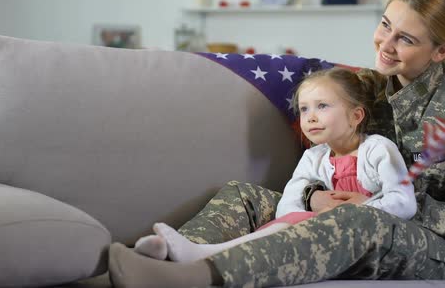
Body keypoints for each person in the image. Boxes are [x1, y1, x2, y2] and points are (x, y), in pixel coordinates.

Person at [108, 0, 445, 287]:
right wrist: (311, 196)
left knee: (360, 221)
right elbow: (320, 121)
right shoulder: (368, 88)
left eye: (405, 39)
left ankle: (201, 277)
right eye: (385, 25)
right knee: (242, 195)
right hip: (357, 212)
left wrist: (381, 204)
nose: (385, 44)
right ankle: (165, 258)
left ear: (441, 50)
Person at [131, 67, 417, 263]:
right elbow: (287, 206)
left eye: (322, 106)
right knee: (266, 210)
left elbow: (403, 203)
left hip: (364, 239)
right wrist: (312, 205)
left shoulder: (379, 148)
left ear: (356, 116)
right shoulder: (314, 157)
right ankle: (180, 247)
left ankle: (204, 254)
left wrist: (356, 209)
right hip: (314, 228)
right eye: (304, 109)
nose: (311, 117)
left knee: (294, 227)